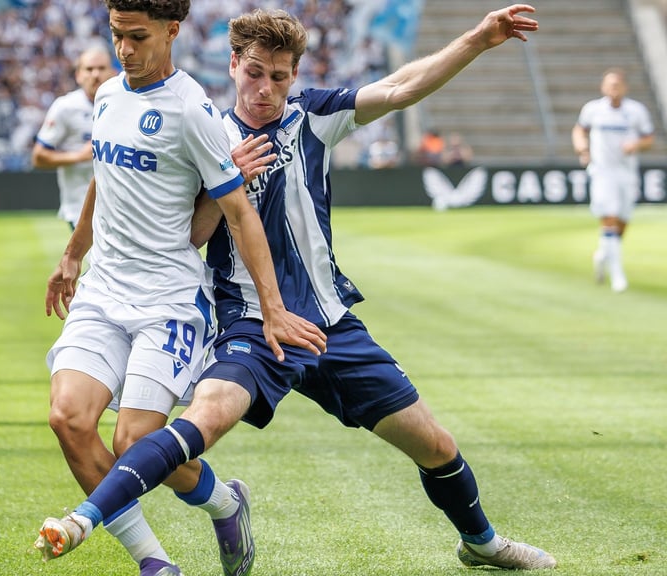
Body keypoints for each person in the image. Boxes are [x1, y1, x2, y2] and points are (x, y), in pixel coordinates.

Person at [36, 4, 558, 572]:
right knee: (199, 422)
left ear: (293, 75)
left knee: (435, 445)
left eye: (279, 77)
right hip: (251, 326)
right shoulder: (209, 129)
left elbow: (402, 86)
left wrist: (478, 40)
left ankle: (481, 543)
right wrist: (224, 181)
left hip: (330, 322)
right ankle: (121, 526)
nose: (265, 89)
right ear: (234, 64)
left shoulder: (315, 116)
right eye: (255, 73)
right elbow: (189, 234)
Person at [34, 1, 326, 575]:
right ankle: (155, 565)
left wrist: (272, 310)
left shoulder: (195, 113)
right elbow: (102, 173)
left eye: (136, 37)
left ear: (172, 30)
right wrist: (73, 255)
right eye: (116, 35)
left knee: (134, 444)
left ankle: (224, 502)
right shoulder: (107, 95)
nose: (123, 50)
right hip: (103, 289)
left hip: (167, 297)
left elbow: (239, 215)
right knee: (68, 418)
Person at [572, 67, 655, 293]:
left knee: (622, 221)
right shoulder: (593, 110)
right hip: (602, 171)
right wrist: (582, 148)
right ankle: (618, 274)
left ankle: (602, 254)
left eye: (617, 85)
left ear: (624, 87)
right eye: (609, 85)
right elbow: (579, 131)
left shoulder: (636, 111)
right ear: (603, 87)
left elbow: (649, 138)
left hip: (627, 172)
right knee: (608, 217)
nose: (613, 89)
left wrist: (636, 145)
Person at [32, 45, 117, 230]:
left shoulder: (124, 105)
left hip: (119, 205)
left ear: (113, 73)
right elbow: (38, 157)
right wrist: (79, 156)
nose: (95, 74)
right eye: (89, 69)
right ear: (78, 75)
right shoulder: (65, 107)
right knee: (95, 259)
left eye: (102, 68)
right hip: (80, 206)